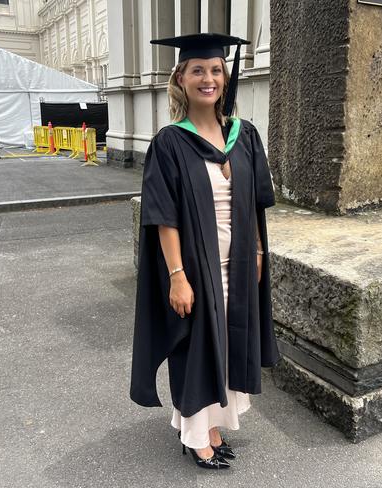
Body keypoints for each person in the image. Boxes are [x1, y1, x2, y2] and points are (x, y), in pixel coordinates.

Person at [130, 33, 279, 470]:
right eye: (198, 70)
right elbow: (163, 216)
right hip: (196, 268)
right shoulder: (170, 143)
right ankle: (195, 437)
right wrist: (177, 275)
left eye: (216, 70)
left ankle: (212, 427)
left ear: (224, 79)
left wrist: (255, 252)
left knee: (228, 344)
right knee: (195, 347)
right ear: (181, 77)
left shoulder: (244, 135)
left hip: (236, 267)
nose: (208, 79)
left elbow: (254, 202)